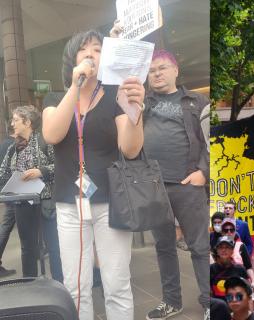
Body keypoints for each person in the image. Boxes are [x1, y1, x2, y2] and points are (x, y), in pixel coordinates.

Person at [42, 30, 144, 319]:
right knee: (75, 286)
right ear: (71, 60)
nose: (90, 54)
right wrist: (76, 86)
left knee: (117, 284)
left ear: (106, 57)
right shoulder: (56, 96)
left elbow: (131, 148)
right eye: (83, 50)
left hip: (111, 201)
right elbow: (51, 133)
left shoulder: (116, 95)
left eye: (97, 49)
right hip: (68, 203)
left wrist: (136, 109)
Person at [141, 49, 210, 319]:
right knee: (164, 246)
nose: (156, 74)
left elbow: (210, 141)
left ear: (175, 70)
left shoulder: (197, 101)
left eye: (162, 68)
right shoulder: (142, 102)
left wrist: (203, 172)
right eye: (151, 70)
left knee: (200, 246)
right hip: (154, 186)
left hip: (188, 184)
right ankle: (172, 300)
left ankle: (208, 303)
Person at [0, 105, 62, 282]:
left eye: (16, 120)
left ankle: (60, 283)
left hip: (45, 202)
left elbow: (60, 165)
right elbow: (2, 173)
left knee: (53, 246)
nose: (12, 123)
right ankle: (29, 284)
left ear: (27, 122)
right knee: (27, 248)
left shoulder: (44, 141)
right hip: (22, 203)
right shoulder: (13, 148)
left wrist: (41, 171)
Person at [210, 236, 248, 301]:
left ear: (232, 250)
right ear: (217, 251)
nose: (224, 250)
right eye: (221, 247)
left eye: (227, 247)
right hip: (217, 308)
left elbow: (246, 292)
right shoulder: (211, 269)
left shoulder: (240, 269)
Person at [0, 130, 16, 278]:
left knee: (6, 226)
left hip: (7, 190)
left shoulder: (4, 144)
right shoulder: (12, 145)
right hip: (14, 191)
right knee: (6, 226)